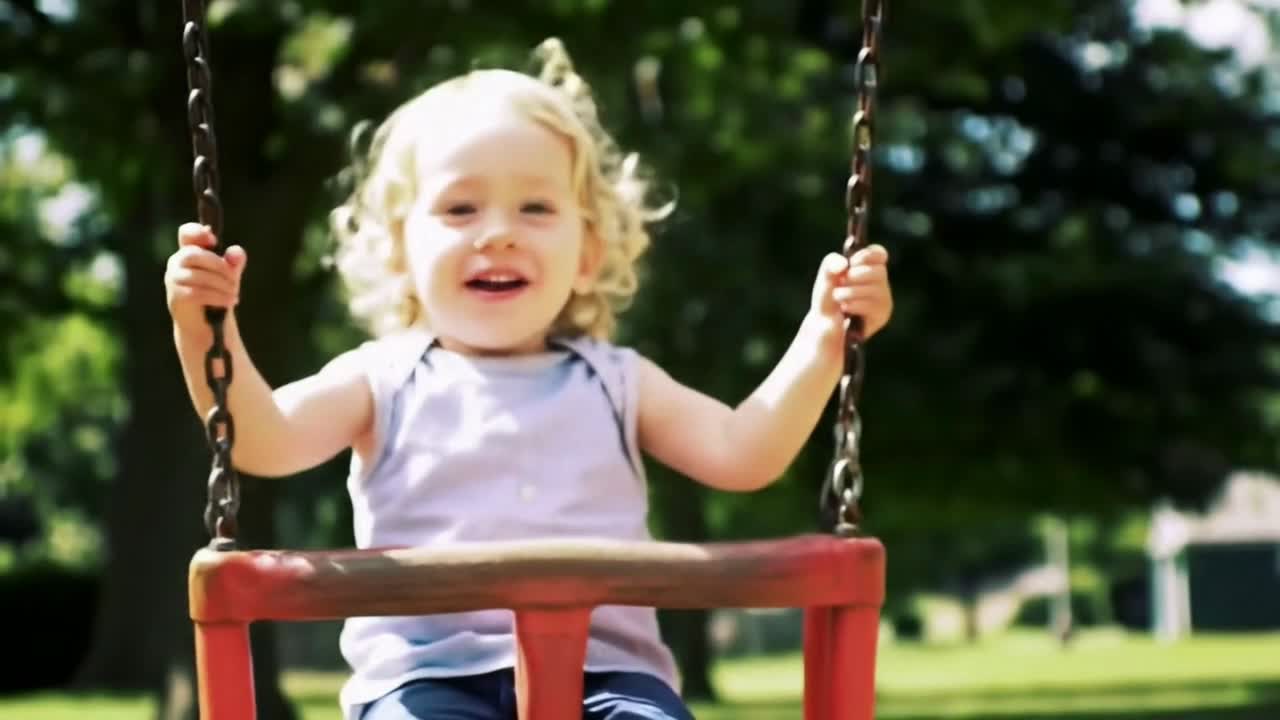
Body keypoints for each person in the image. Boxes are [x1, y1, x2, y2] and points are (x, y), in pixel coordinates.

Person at [164, 38, 892, 720]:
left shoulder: (619, 381)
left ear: (587, 250)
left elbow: (743, 452)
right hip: (425, 684)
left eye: (536, 207)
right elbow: (263, 440)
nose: (499, 232)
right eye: (459, 207)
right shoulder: (381, 380)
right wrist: (207, 332)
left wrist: (825, 337)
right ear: (399, 248)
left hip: (611, 681)